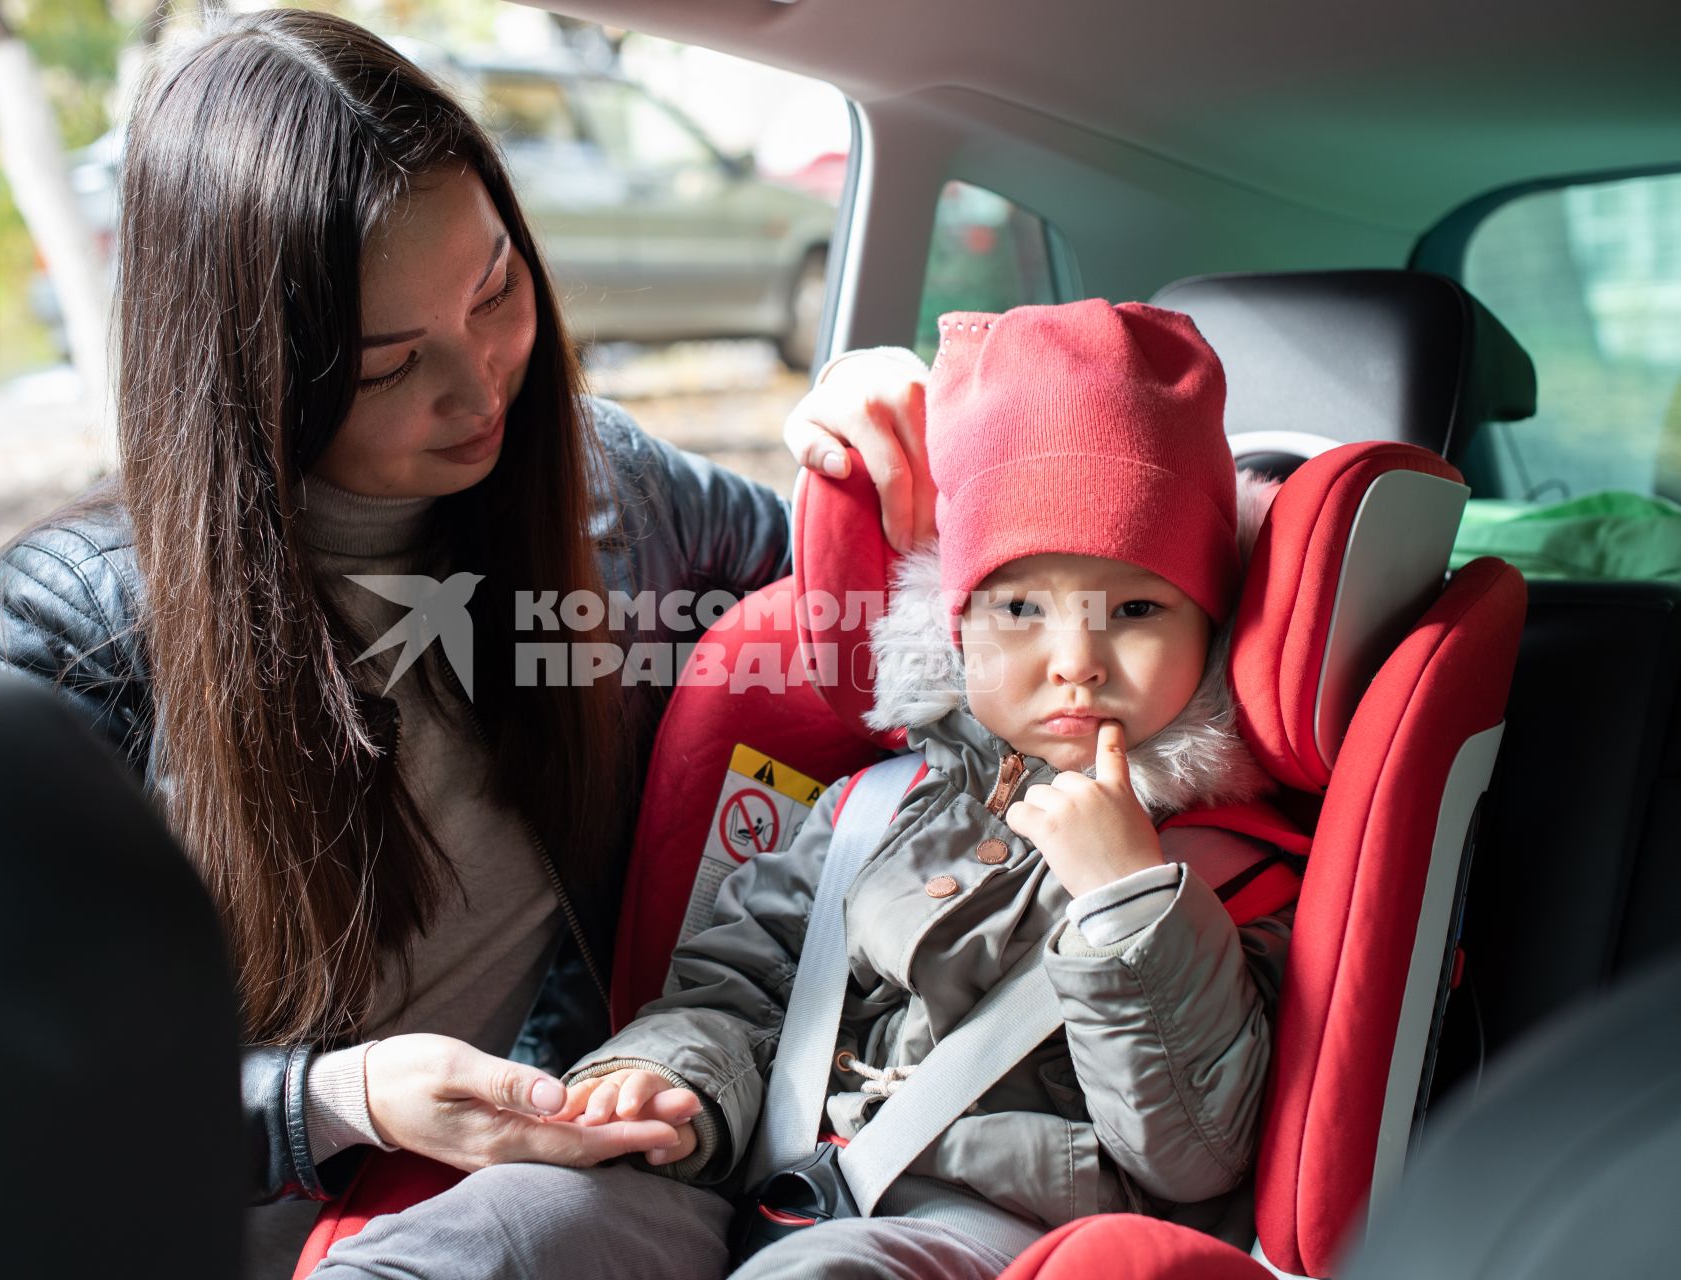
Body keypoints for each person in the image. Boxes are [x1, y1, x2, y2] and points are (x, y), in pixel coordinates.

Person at [0, 5, 932, 1259]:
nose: (480, 385)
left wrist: (861, 437)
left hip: (542, 1193)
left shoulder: (607, 491)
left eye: (497, 287)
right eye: (390, 362)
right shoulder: (65, 629)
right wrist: (336, 1098)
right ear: (255, 372)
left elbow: (860, 608)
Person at [308, 301, 1293, 1280]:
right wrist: (660, 1081)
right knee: (503, 1227)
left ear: (1211, 620)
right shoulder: (871, 809)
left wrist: (1129, 903)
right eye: (1022, 605)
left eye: (1134, 607)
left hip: (986, 1229)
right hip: (752, 1175)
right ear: (953, 620)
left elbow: (1197, 1151)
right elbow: (732, 993)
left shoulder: (1233, 873)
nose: (1074, 659)